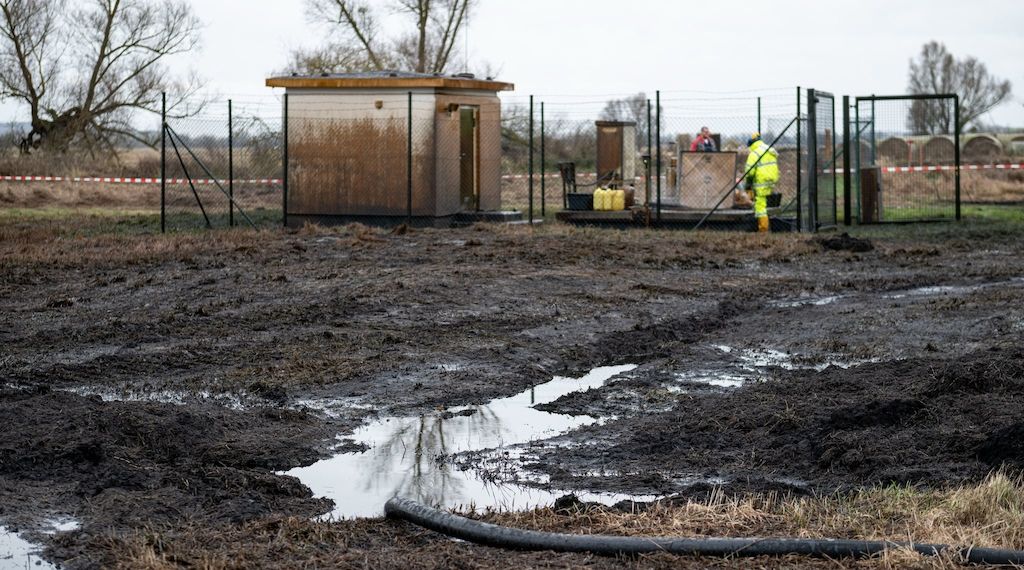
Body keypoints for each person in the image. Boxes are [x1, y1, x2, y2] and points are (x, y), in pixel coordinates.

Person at [744, 133, 779, 233]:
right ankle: (769, 225)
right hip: (772, 179)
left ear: (751, 144)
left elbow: (750, 172)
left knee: (760, 205)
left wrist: (748, 184)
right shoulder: (769, 149)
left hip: (761, 181)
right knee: (767, 203)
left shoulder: (754, 154)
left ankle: (763, 230)